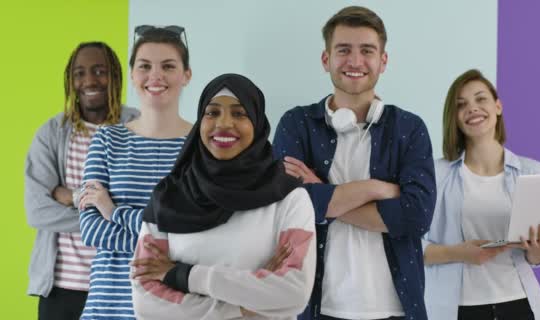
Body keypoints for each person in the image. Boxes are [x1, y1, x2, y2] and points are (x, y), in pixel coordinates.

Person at [272, 6, 436, 320]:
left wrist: (322, 193)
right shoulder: (296, 124)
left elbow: (417, 216)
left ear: (383, 61)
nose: (355, 61)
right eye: (343, 50)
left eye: (367, 51)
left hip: (397, 309)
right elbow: (287, 207)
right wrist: (380, 189)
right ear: (326, 59)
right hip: (317, 306)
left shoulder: (409, 129)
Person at [129, 73, 316, 319]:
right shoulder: (169, 197)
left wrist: (183, 276)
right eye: (212, 113)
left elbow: (293, 293)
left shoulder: (289, 197)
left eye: (239, 113)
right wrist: (244, 308)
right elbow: (147, 303)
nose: (224, 123)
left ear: (257, 123)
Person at [422, 69, 540, 320]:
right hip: (458, 309)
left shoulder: (535, 173)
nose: (473, 108)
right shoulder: (436, 175)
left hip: (518, 304)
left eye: (481, 99)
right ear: (454, 118)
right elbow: (413, 246)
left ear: (498, 106)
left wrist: (539, 252)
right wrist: (459, 253)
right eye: (461, 104)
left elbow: (536, 256)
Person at [77, 26, 193, 320]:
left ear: (186, 75)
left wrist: (113, 211)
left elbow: (194, 237)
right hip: (108, 306)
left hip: (176, 308)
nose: (156, 75)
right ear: (132, 75)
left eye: (168, 66)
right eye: (144, 66)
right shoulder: (106, 140)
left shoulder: (201, 149)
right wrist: (164, 248)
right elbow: (90, 229)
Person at [24, 41, 139, 320]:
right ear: (70, 80)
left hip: (122, 285)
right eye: (80, 73)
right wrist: (103, 210)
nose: (89, 80)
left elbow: (148, 208)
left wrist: (67, 196)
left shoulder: (139, 127)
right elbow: (37, 211)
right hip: (62, 288)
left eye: (100, 71)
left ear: (115, 76)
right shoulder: (51, 133)